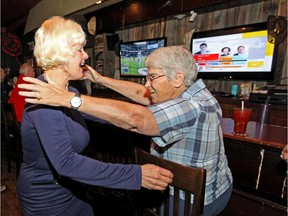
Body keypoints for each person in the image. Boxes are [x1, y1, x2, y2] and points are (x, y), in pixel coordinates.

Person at [19, 44, 233, 215]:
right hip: (186, 188)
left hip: (194, 200)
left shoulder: (191, 106)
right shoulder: (187, 90)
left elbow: (137, 119)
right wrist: (101, 79)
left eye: (152, 77)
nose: (147, 84)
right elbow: (143, 94)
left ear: (177, 78)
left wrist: (68, 99)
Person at [15, 16, 173, 216]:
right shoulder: (44, 98)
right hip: (46, 195)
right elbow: (66, 163)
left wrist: (142, 114)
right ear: (61, 56)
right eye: (79, 49)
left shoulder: (68, 91)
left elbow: (103, 115)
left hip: (72, 187)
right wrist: (136, 175)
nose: (85, 56)